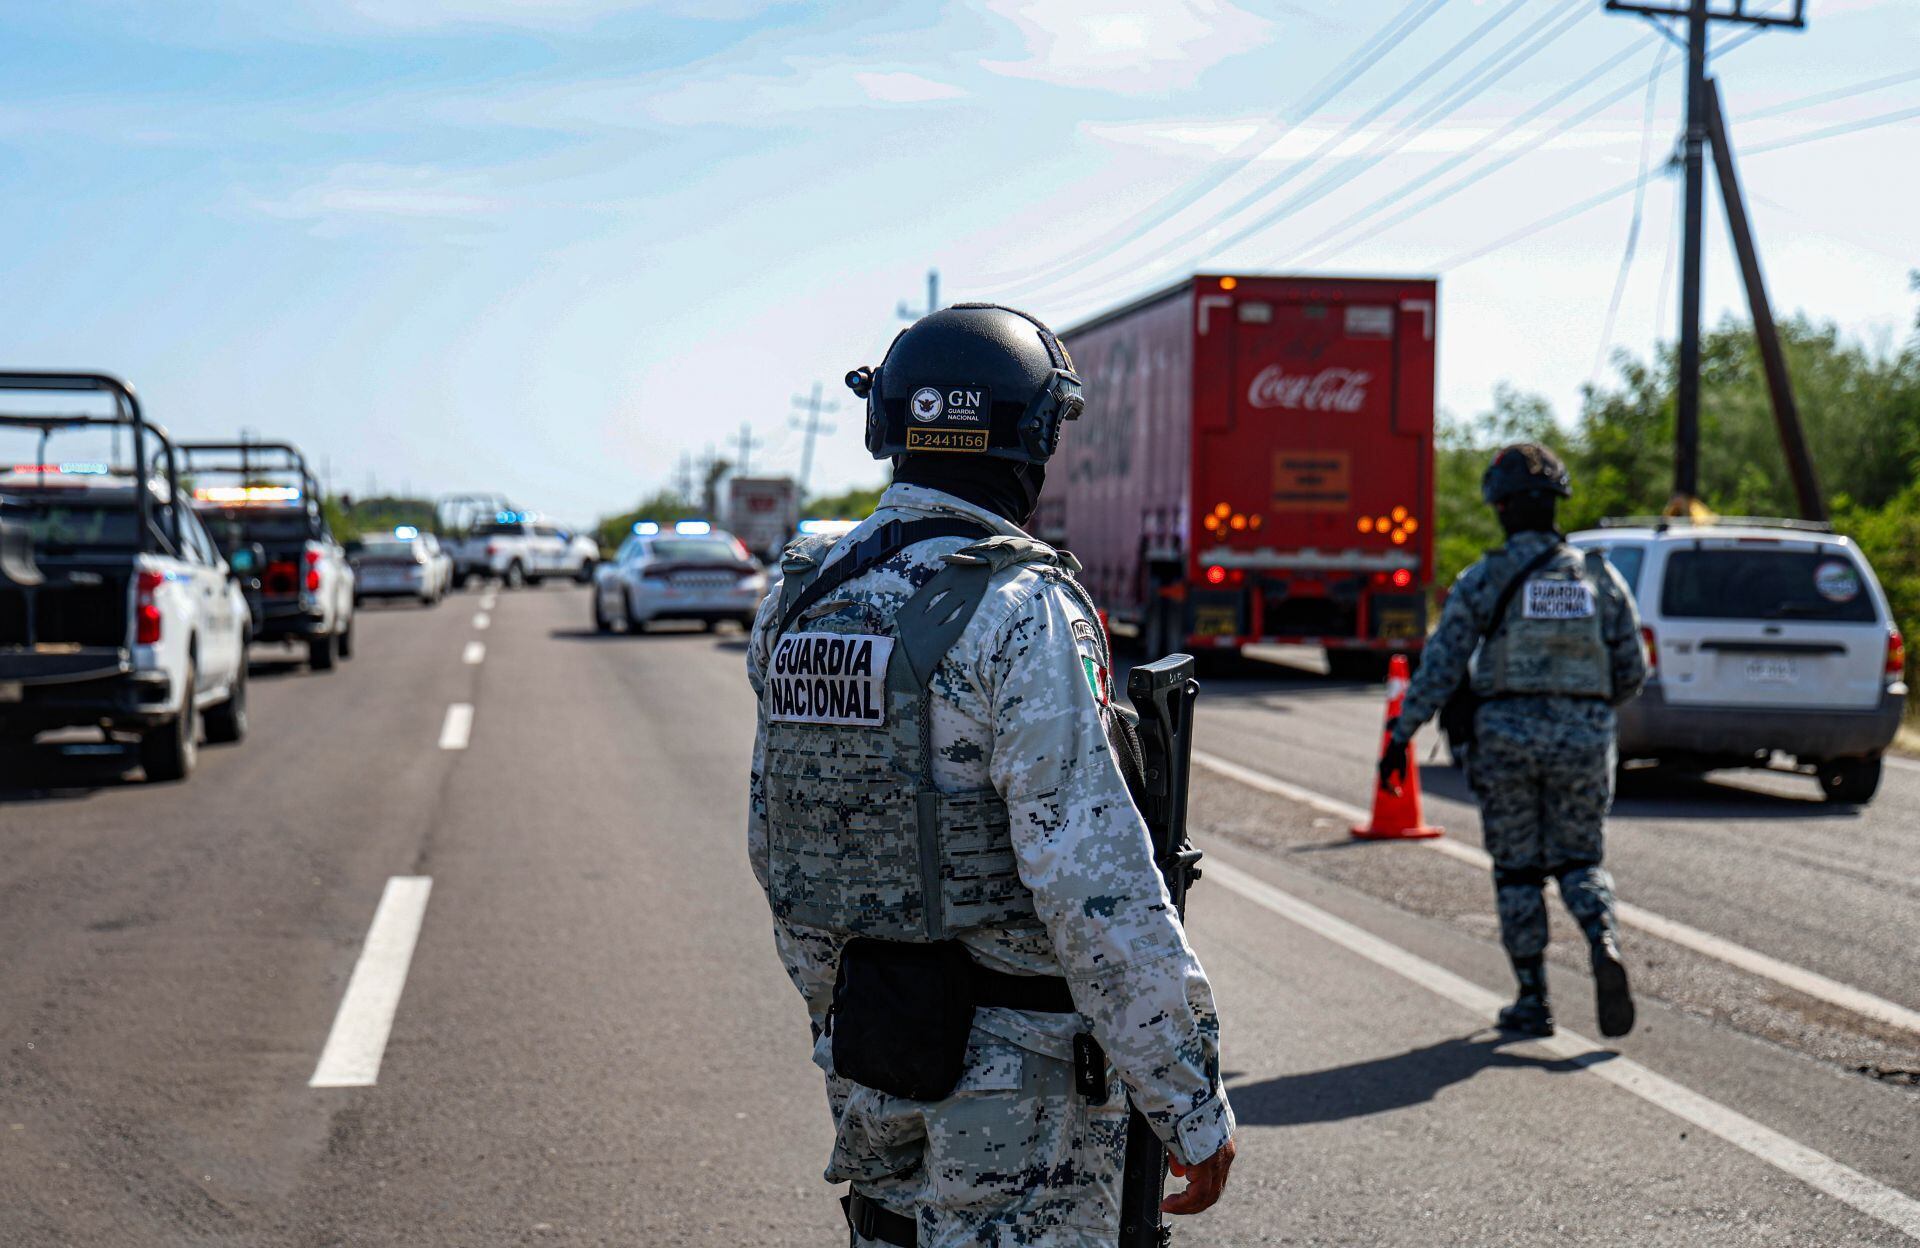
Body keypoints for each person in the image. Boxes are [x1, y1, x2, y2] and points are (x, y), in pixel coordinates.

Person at [745, 304, 1235, 1246]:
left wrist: (838, 1012)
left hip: (870, 1049)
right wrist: (1188, 1098)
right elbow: (1094, 884)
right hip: (1017, 1083)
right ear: (1037, 435)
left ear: (884, 424)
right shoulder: (1020, 607)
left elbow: (781, 844)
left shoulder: (801, 597)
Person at [1379, 443, 1647, 1039]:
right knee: (1580, 859)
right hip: (1584, 739)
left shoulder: (1484, 578)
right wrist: (1583, 713)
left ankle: (1533, 998)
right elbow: (1632, 670)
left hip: (1505, 742)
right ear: (1556, 505)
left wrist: (1402, 735)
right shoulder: (1601, 579)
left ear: (1500, 508)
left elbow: (1442, 665)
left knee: (1518, 871)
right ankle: (1601, 940)